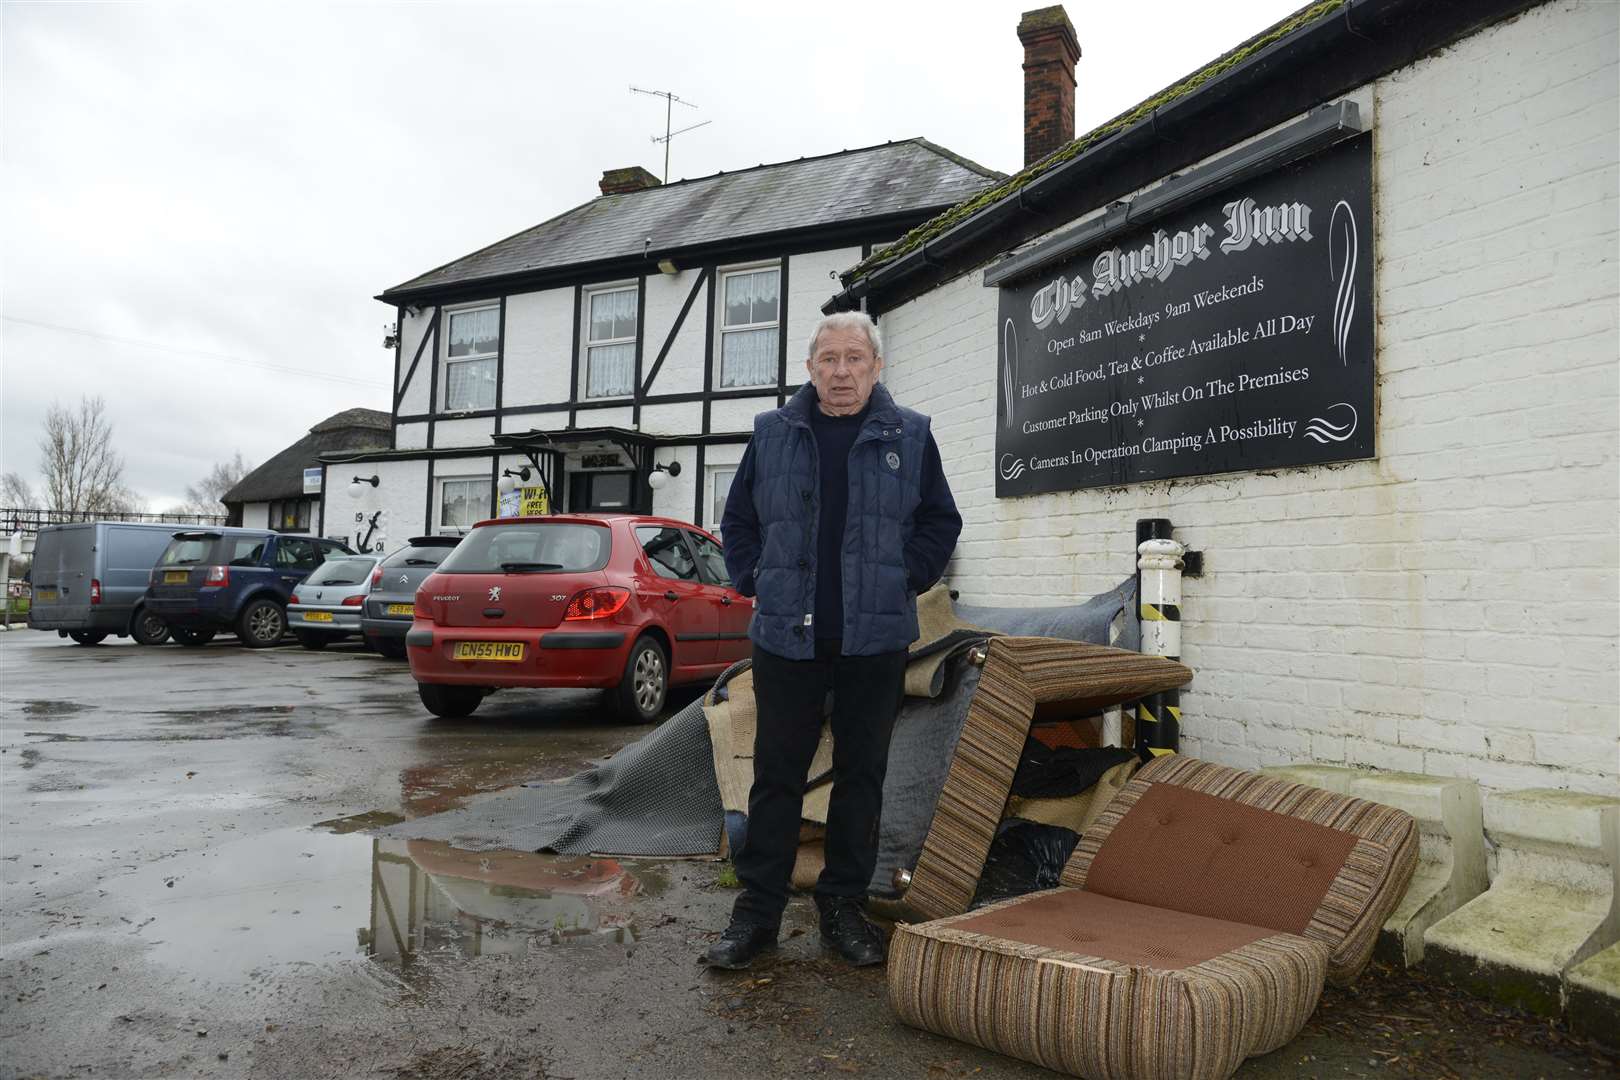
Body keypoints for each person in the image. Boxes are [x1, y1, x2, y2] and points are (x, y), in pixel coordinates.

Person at [702, 310, 962, 970]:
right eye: (828, 359)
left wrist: (906, 575)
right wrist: (753, 575)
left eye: (854, 359)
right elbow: (737, 520)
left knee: (860, 778)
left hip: (873, 639)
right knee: (776, 777)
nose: (840, 371)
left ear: (877, 368)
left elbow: (940, 519)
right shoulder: (773, 433)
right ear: (810, 368)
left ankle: (842, 908)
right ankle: (757, 912)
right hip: (787, 637)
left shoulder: (912, 434)